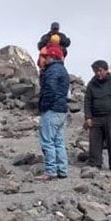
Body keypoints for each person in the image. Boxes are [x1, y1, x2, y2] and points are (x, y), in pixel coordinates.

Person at [36, 46, 70, 181]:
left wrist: (44, 105)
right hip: (61, 109)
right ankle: (62, 170)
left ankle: (50, 171)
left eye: (46, 57)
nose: (44, 59)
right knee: (59, 141)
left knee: (48, 141)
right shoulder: (63, 70)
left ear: (52, 57)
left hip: (52, 110)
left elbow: (50, 89)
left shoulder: (52, 71)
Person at [84, 60, 111, 171]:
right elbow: (87, 101)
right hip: (96, 118)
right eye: (95, 71)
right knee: (95, 143)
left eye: (100, 71)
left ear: (106, 70)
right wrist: (88, 117)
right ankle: (95, 164)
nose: (98, 73)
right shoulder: (91, 84)